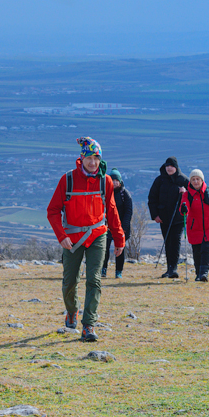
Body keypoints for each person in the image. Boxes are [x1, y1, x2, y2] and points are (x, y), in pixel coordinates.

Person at [46, 137, 124, 343]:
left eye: (96, 158)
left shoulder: (105, 181)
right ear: (81, 158)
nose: (93, 162)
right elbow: (53, 211)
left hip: (97, 234)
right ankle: (72, 310)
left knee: (94, 280)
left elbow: (112, 210)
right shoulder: (68, 180)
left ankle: (89, 325)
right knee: (70, 282)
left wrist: (119, 238)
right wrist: (61, 236)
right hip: (71, 238)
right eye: (89, 157)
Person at [147, 157, 188, 278]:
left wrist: (184, 193)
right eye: (167, 166)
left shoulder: (184, 180)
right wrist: (155, 215)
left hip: (179, 218)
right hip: (163, 218)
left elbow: (193, 196)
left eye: (172, 166)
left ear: (176, 167)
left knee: (175, 242)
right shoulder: (159, 180)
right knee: (168, 242)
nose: (169, 168)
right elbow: (152, 198)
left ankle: (173, 268)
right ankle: (169, 268)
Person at [181, 169, 209, 282]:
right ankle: (198, 274)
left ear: (202, 180)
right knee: (196, 251)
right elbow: (184, 210)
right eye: (193, 179)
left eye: (198, 179)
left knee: (206, 248)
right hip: (194, 228)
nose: (196, 181)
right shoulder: (187, 194)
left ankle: (204, 273)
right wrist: (184, 209)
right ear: (190, 181)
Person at [101, 168, 133, 279]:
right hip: (107, 226)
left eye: (116, 180)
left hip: (121, 227)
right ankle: (103, 269)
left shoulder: (125, 194)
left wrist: (123, 228)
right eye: (112, 180)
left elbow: (129, 212)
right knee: (104, 248)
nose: (114, 182)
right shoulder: (105, 192)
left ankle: (118, 271)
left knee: (120, 249)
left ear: (120, 181)